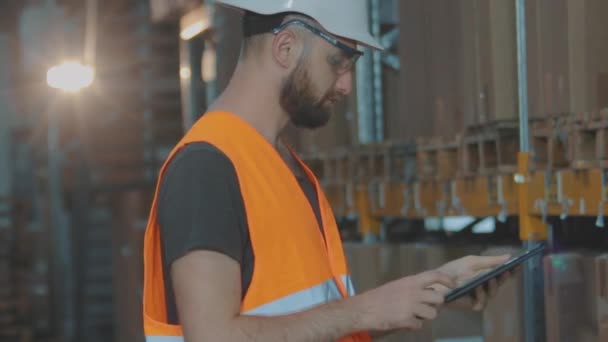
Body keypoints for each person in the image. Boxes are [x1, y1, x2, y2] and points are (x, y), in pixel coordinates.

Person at [142, 1, 513, 341]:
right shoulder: (206, 167)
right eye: (338, 61)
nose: (347, 85)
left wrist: (435, 289)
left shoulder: (282, 165)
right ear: (285, 48)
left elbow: (316, 323)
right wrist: (365, 310)